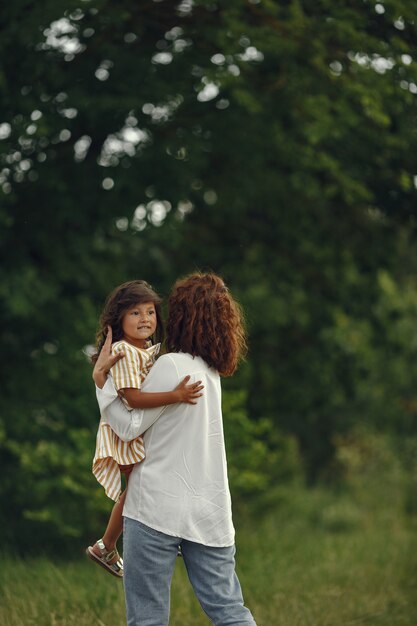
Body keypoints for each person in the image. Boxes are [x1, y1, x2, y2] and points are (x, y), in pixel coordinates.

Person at [93, 272, 257, 626]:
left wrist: (101, 384)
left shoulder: (170, 366)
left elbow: (128, 425)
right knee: (230, 612)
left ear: (181, 316)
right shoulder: (210, 373)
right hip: (209, 512)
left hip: (155, 508)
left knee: (148, 618)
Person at [86, 280, 203, 578]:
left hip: (136, 427)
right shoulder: (124, 350)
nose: (145, 319)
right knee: (136, 489)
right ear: (119, 319)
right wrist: (175, 395)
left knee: (142, 484)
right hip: (123, 430)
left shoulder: (146, 350)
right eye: (135, 313)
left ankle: (145, 536)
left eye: (150, 312)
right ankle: (108, 544)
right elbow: (133, 397)